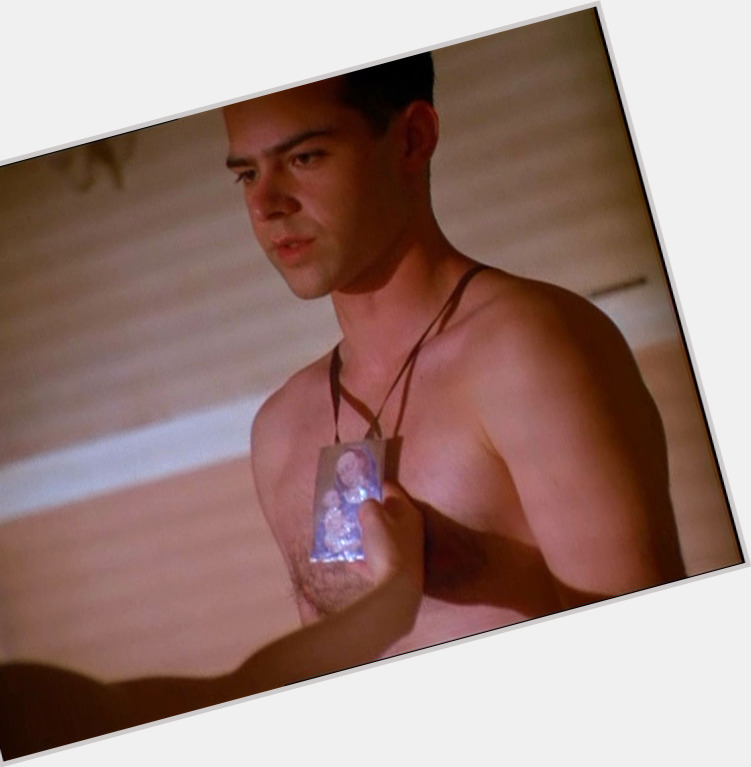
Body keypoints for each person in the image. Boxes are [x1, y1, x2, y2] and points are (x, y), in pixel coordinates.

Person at [223, 53, 686, 657]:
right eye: (247, 174)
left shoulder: (527, 350)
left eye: (304, 158)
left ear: (413, 139)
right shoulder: (280, 432)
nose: (266, 204)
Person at [0, 489, 423, 759]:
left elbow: (242, 691)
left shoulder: (12, 705)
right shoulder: (15, 711)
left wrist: (397, 592)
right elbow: (247, 690)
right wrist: (399, 588)